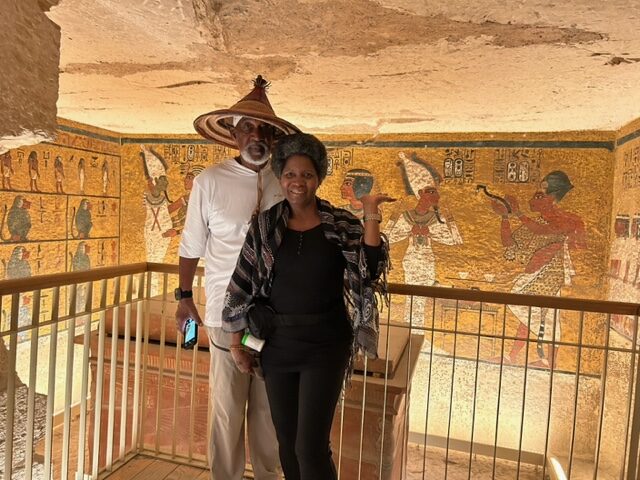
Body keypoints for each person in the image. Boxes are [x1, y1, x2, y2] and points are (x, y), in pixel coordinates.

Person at [222, 133, 393, 480]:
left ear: (318, 179)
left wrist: (371, 213)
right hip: (277, 346)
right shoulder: (265, 226)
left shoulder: (339, 224)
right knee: (286, 441)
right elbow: (241, 284)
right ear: (281, 177)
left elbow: (369, 268)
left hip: (326, 345)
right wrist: (236, 344)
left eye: (307, 175)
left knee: (310, 446)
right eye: (290, 174)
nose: (297, 182)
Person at [175, 75, 299, 480]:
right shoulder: (210, 182)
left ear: (275, 138)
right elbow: (191, 244)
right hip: (226, 315)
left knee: (269, 408)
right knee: (228, 408)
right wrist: (183, 297)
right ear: (233, 133)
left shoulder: (286, 182)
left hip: (274, 315)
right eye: (247, 126)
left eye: (264, 128)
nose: (256, 135)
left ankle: (268, 475)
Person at [489, 170, 586, 368]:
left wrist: (517, 213)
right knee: (533, 313)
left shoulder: (568, 219)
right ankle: (515, 357)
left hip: (550, 274)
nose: (532, 199)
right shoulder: (536, 222)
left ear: (552, 198)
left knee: (541, 313)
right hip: (534, 273)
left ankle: (547, 361)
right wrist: (505, 218)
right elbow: (509, 243)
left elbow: (544, 231)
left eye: (539, 195)